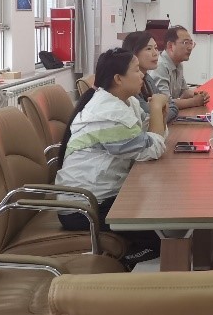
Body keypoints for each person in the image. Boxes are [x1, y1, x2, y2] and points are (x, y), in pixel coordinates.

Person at [55, 47, 169, 269]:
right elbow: (152, 148)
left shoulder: (126, 101)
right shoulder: (109, 113)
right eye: (136, 70)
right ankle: (118, 264)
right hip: (84, 208)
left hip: (103, 195)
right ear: (118, 79)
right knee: (161, 239)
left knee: (161, 219)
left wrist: (158, 116)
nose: (142, 75)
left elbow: (149, 138)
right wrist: (156, 108)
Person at [122, 30, 179, 123]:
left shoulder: (147, 78)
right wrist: (160, 111)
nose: (155, 53)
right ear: (133, 52)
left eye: (156, 48)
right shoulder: (128, 82)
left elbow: (171, 104)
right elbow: (149, 116)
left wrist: (159, 112)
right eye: (148, 49)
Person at [152, 25, 209, 109]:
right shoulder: (159, 66)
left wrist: (198, 95)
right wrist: (194, 102)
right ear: (170, 46)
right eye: (185, 43)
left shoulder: (178, 64)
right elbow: (165, 103)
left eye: (191, 43)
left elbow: (184, 91)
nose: (190, 48)